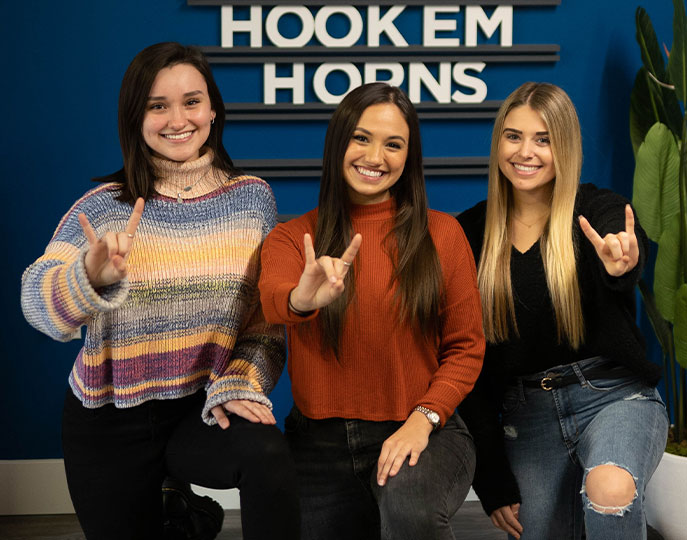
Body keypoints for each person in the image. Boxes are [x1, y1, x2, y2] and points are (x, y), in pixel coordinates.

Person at [20, 42, 299, 540]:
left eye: (192, 101)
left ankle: (183, 510)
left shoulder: (252, 199)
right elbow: (36, 302)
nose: (178, 119)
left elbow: (263, 322)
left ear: (213, 108)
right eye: (157, 105)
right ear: (136, 116)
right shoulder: (105, 207)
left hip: (201, 407)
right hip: (109, 420)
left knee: (268, 457)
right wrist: (89, 276)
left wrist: (240, 380)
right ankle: (185, 515)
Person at [258, 82, 485, 540]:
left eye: (393, 144)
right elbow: (275, 298)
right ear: (338, 142)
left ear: (409, 157)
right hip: (319, 446)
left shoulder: (443, 235)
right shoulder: (291, 239)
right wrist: (304, 299)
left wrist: (422, 420)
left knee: (409, 509)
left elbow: (466, 348)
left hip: (423, 430)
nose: (375, 156)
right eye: (362, 138)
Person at [457, 82, 669, 540]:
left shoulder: (595, 209)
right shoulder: (468, 233)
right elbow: (465, 362)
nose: (525, 152)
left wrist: (623, 260)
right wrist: (490, 480)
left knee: (610, 488)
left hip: (612, 395)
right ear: (498, 142)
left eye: (543, 139)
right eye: (513, 136)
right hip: (527, 416)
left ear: (565, 146)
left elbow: (622, 243)